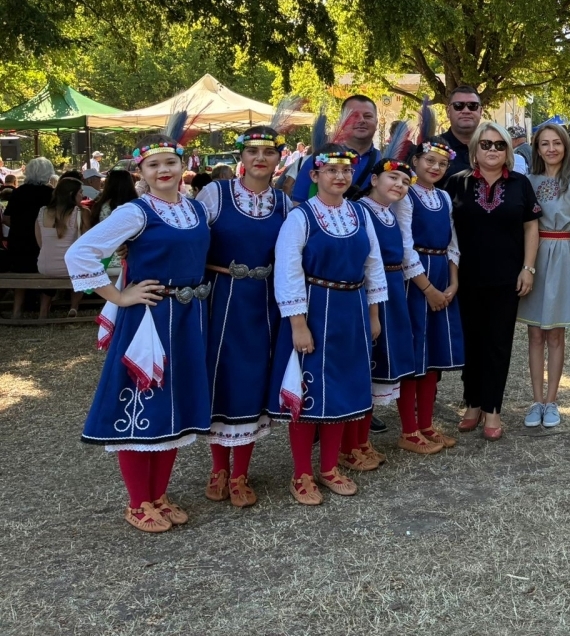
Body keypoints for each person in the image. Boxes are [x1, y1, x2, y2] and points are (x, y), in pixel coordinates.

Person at [66, 127, 213, 533]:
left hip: (189, 318)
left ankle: (159, 495)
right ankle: (137, 502)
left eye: (170, 162)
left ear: (183, 166)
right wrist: (119, 295)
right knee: (142, 403)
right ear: (141, 172)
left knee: (175, 405)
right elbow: (81, 253)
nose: (163, 170)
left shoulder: (196, 209)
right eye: (154, 165)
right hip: (149, 319)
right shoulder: (136, 212)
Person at [268, 141, 388, 505]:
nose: (340, 176)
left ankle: (330, 466)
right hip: (316, 309)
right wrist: (298, 324)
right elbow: (288, 271)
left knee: (344, 390)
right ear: (315, 174)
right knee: (309, 394)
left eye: (346, 170)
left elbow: (373, 264)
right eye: (331, 170)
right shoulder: (301, 218)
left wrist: (373, 314)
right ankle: (302, 473)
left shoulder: (359, 214)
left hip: (352, 310)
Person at [197, 123, 291, 508]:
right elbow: (187, 236)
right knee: (220, 377)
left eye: (268, 152)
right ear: (241, 156)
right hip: (221, 298)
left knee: (253, 379)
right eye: (253, 152)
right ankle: (219, 468)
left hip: (264, 303)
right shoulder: (214, 194)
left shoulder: (285, 204)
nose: (260, 159)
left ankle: (240, 473)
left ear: (279, 158)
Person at [446, 121, 541, 440]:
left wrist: (528, 268)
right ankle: (472, 403)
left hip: (506, 279)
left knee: (498, 344)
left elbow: (531, 227)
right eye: (485, 144)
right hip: (466, 278)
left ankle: (493, 408)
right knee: (471, 342)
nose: (492, 150)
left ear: (508, 151)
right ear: (475, 149)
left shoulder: (519, 183)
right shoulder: (456, 183)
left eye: (499, 145)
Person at [348, 128, 427, 464]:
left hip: (395, 291)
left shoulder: (391, 212)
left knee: (395, 362)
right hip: (372, 294)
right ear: (374, 179)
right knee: (369, 367)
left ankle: (373, 439)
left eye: (405, 182)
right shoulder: (359, 210)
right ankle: (354, 443)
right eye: (393, 177)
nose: (399, 185)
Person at [518, 123, 570, 428]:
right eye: (544, 144)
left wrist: (567, 247)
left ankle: (552, 401)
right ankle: (536, 400)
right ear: (537, 149)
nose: (551, 149)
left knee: (555, 333)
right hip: (533, 254)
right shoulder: (528, 181)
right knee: (535, 332)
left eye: (557, 143)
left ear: (566, 146)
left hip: (561, 253)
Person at [402, 108, 463, 451]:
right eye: (429, 160)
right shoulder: (405, 195)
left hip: (441, 274)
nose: (436, 167)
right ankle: (409, 430)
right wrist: (428, 289)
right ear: (415, 161)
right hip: (416, 282)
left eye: (442, 163)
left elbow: (452, 243)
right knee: (415, 354)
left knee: (433, 357)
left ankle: (426, 424)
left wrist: (452, 283)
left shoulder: (443, 197)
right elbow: (404, 247)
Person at [290, 95, 381, 201]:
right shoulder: (320, 158)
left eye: (368, 116)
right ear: (342, 122)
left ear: (376, 122)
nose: (361, 120)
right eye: (354, 116)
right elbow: (298, 202)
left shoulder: (383, 160)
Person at [5, 157, 54, 316]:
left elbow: (6, 218)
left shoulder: (18, 192)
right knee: (47, 272)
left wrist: (20, 227)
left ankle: (16, 311)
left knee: (20, 272)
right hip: (42, 242)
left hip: (19, 241)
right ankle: (43, 313)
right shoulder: (50, 193)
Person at [35, 176, 88, 318]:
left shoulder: (42, 212)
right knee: (82, 267)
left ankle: (43, 311)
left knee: (54, 271)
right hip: (70, 268)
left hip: (45, 266)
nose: (82, 195)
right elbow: (86, 244)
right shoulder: (80, 213)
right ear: (71, 194)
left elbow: (40, 242)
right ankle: (74, 306)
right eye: (80, 192)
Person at [441, 86, 483, 180]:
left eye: (473, 106)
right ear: (448, 111)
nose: (466, 111)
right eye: (458, 105)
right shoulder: (432, 147)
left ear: (480, 111)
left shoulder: (494, 147)